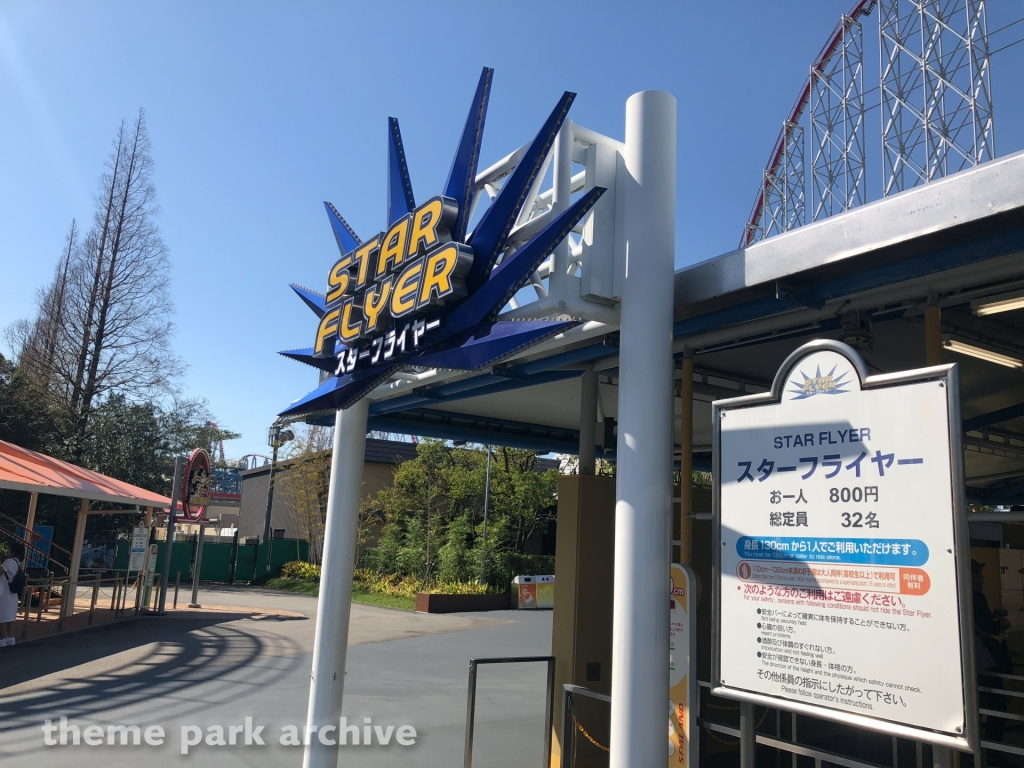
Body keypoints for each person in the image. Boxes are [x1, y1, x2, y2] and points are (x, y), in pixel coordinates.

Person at [973, 558, 1011, 755]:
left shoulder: (961, 595)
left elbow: (979, 620)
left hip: (972, 663)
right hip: (984, 660)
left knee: (976, 707)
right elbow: (986, 627)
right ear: (973, 576)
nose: (983, 577)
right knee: (998, 707)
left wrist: (993, 615)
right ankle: (993, 753)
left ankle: (974, 753)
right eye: (980, 573)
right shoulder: (976, 596)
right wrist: (1001, 625)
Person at [0, 541, 24, 647]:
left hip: (3, 593)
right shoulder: (18, 563)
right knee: (10, 618)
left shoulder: (8, 562)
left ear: (14, 551)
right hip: (13, 595)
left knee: (2, 618)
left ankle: (2, 639)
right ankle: (11, 638)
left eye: (9, 550)